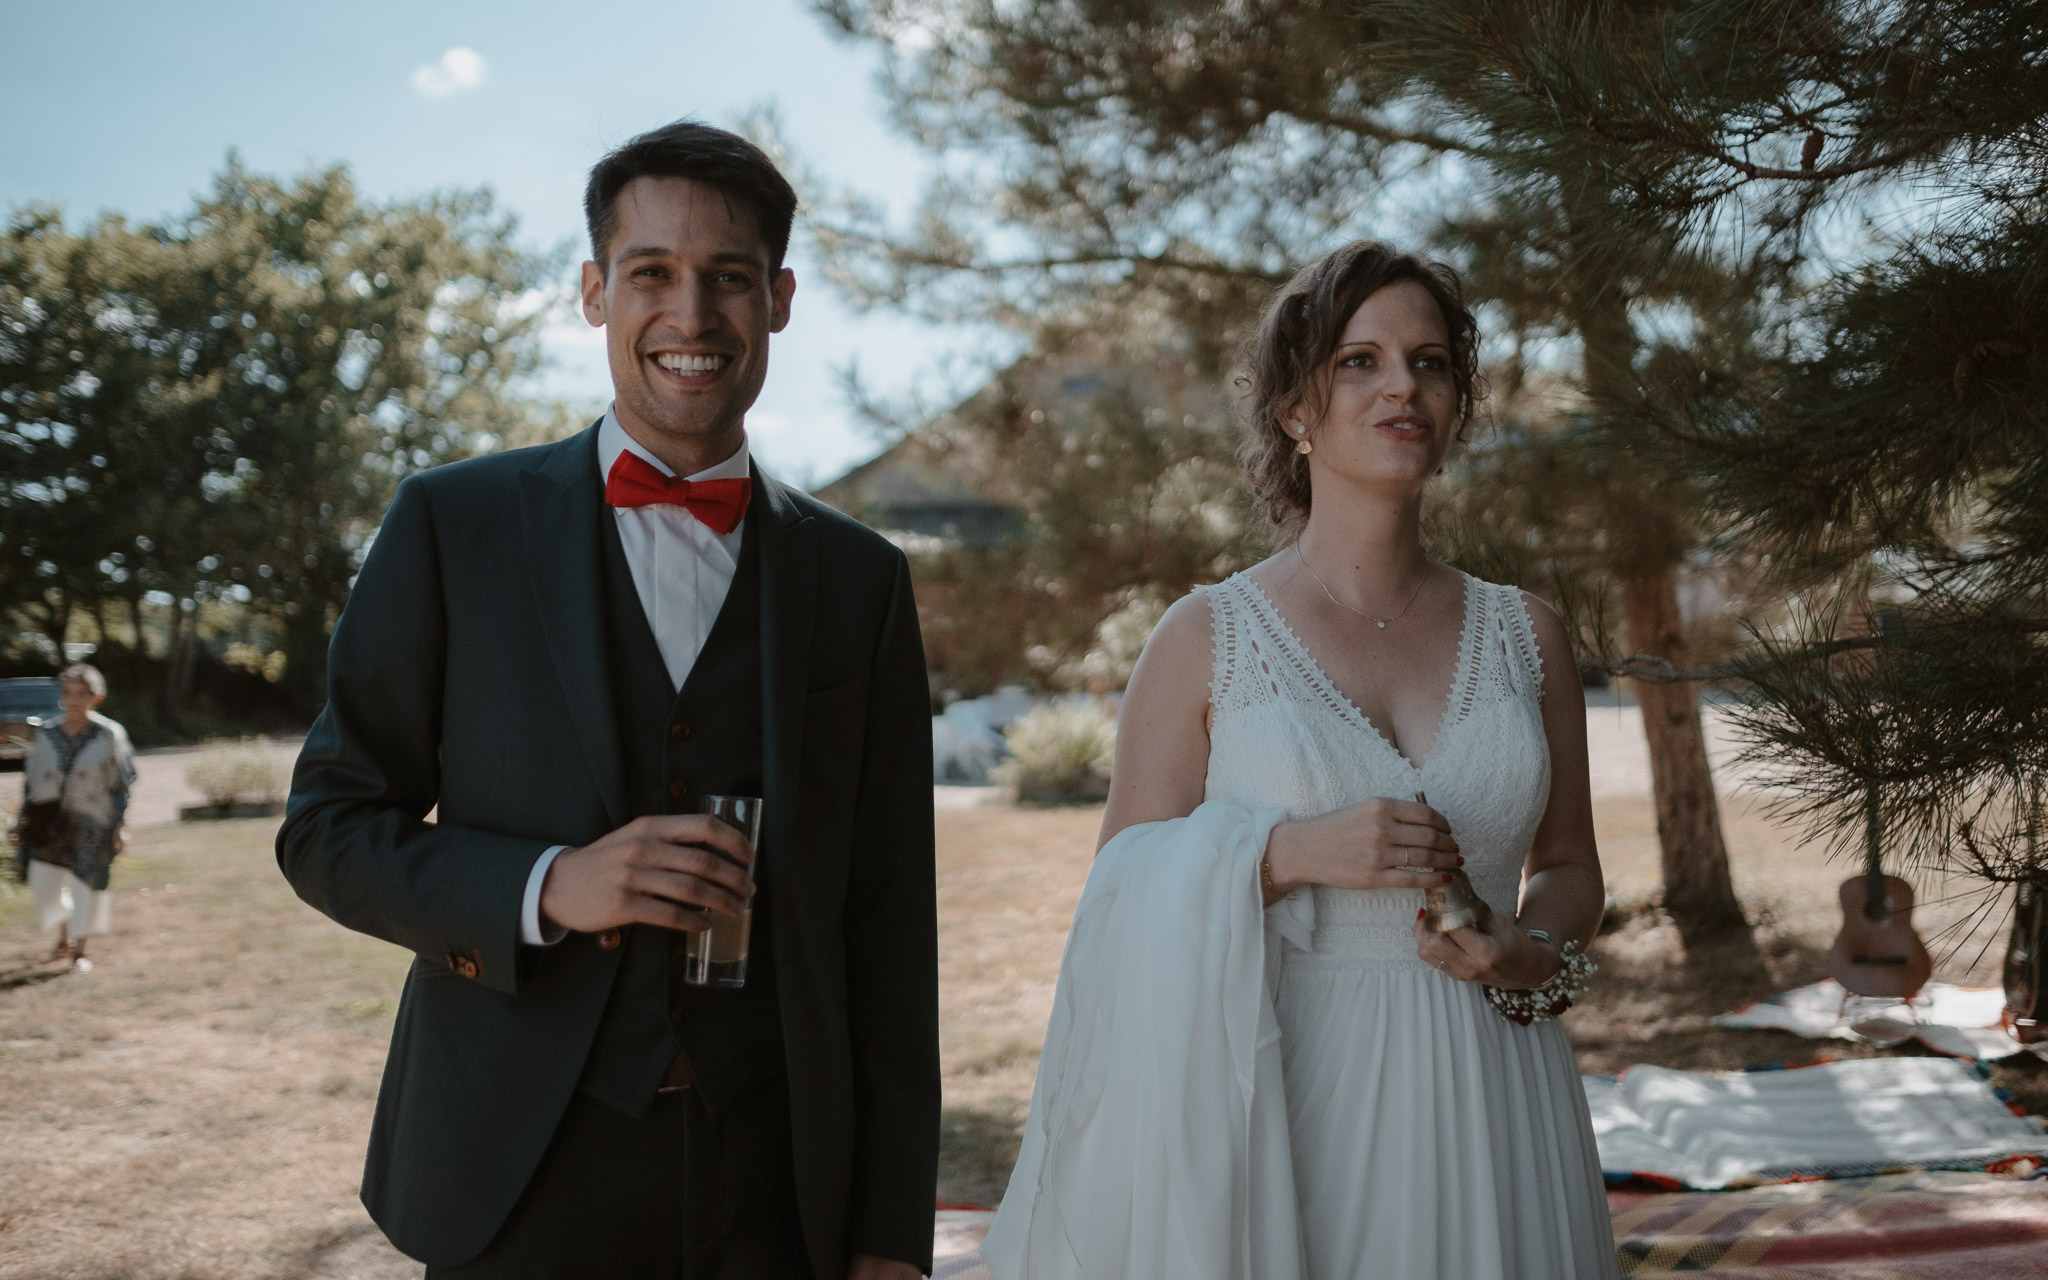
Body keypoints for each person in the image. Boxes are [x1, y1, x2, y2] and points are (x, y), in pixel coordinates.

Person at [278, 121, 939, 1280]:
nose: (691, 315)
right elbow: (328, 828)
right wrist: (545, 886)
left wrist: (888, 1228)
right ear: (594, 291)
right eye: (651, 273)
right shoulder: (453, 525)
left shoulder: (859, 577)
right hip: (518, 1165)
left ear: (778, 299)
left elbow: (888, 924)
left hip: (776, 1175)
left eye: (728, 277)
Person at [984, 241, 1618, 1279]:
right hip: (1286, 1087)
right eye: (1356, 361)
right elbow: (1116, 890)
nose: (1401, 384)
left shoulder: (1525, 633)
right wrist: (1279, 853)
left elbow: (1569, 862)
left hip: (1499, 1080)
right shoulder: (1204, 637)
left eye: (1428, 361)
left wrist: (1528, 949)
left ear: (1456, 402)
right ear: (1293, 410)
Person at [12, 663, 135, 973]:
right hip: (48, 820)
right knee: (44, 885)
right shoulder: (45, 733)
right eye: (68, 693)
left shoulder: (109, 734)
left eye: (82, 694)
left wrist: (120, 826)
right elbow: (31, 781)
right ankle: (65, 928)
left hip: (94, 819)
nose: (74, 700)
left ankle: (79, 951)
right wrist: (21, 822)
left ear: (96, 697)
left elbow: (121, 783)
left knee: (88, 884)